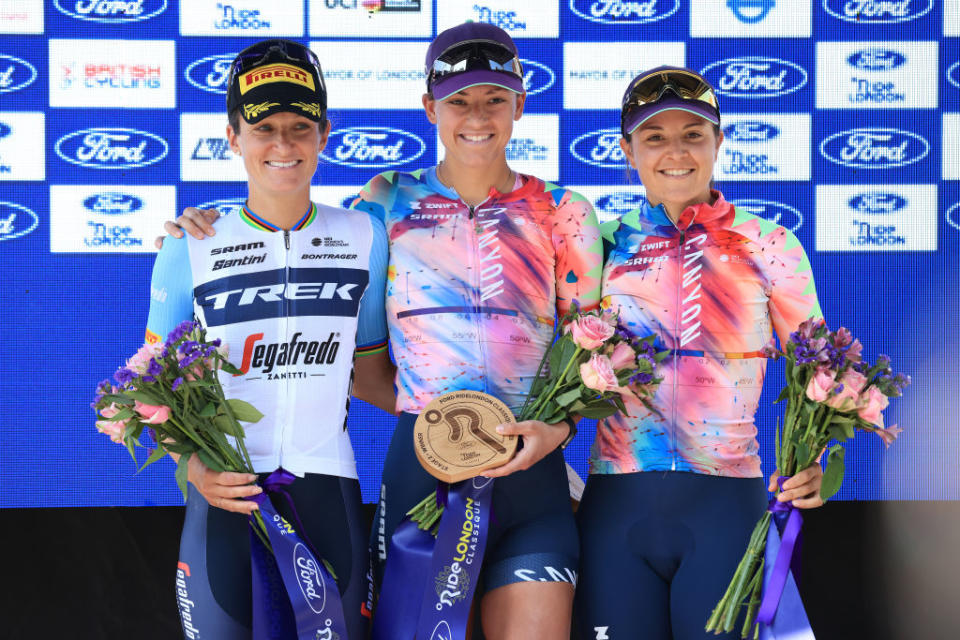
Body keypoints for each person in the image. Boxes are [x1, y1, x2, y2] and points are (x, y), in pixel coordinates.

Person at [163, 22, 603, 639]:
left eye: (494, 99)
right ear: (430, 107)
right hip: (422, 466)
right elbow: (363, 365)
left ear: (520, 104)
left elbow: (596, 351)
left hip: (532, 475)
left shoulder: (567, 212)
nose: (477, 115)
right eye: (458, 100)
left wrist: (558, 426)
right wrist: (443, 421)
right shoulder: (383, 206)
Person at [146, 39, 395, 640]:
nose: (283, 146)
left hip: (327, 486)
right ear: (233, 137)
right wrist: (194, 465)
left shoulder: (367, 235)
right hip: (223, 493)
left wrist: (471, 425)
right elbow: (149, 393)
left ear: (324, 134)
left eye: (300, 127)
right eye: (263, 129)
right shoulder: (190, 245)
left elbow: (370, 372)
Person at [573, 66, 826, 640]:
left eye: (693, 134)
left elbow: (822, 377)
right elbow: (556, 370)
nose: (676, 151)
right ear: (627, 150)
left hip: (726, 504)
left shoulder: (770, 245)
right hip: (617, 501)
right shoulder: (601, 247)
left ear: (719, 142)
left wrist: (814, 461)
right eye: (654, 137)